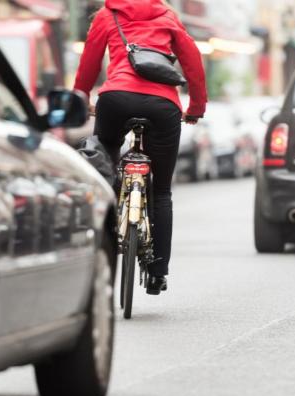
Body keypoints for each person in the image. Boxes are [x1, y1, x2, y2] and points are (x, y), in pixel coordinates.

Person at [73, 0, 207, 294]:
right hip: (163, 105)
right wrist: (195, 106)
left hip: (115, 99)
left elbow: (90, 61)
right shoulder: (168, 15)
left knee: (104, 167)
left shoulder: (108, 15)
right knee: (161, 191)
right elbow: (192, 60)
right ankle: (159, 272)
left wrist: (80, 97)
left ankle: (104, 246)